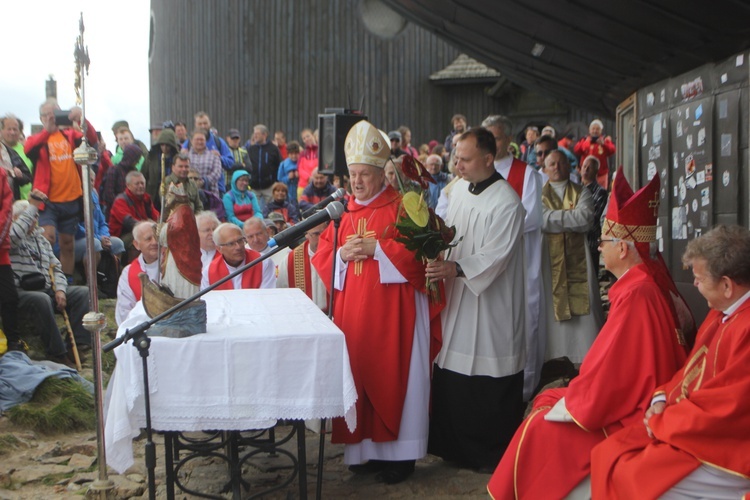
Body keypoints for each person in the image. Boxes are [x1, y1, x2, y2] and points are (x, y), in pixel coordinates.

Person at [489, 169, 691, 499]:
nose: (598, 248)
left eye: (604, 241)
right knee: (546, 403)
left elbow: (615, 377)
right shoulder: (640, 284)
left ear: (623, 250)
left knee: (540, 427)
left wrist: (577, 398)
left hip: (630, 410)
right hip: (630, 397)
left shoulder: (638, 293)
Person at [311, 120, 442, 485]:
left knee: (397, 375)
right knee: (358, 374)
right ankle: (364, 452)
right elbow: (322, 257)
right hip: (354, 318)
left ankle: (401, 456)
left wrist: (377, 250)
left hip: (395, 314)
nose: (357, 182)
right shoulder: (342, 214)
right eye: (352, 174)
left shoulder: (404, 207)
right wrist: (340, 255)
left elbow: (424, 254)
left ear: (380, 174)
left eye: (364, 174)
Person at [592, 224, 750, 498]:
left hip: (730, 446)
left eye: (700, 280)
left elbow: (729, 406)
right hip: (698, 429)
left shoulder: (745, 327)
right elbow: (691, 370)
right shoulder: (721, 313)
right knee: (610, 451)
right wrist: (660, 400)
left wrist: (665, 421)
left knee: (636, 475)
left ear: (727, 285)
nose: (695, 285)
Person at [425, 127, 526, 471]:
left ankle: (489, 453)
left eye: (465, 159)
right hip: (458, 300)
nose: (458, 165)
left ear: (487, 158)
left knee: (486, 368)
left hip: (490, 302)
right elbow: (451, 236)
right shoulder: (459, 192)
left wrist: (455, 268)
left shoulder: (507, 202)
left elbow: (496, 256)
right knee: (453, 367)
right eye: (456, 158)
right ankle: (453, 447)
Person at [483, 115, 546, 400]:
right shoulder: (473, 172)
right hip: (482, 264)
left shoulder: (527, 174)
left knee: (521, 324)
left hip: (519, 263)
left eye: (494, 138)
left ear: (508, 140)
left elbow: (531, 218)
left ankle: (522, 392)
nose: (489, 144)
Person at [10, 195, 90, 366]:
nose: (35, 220)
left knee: (83, 292)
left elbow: (56, 267)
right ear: (17, 219)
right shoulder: (10, 239)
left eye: (36, 216)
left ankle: (79, 344)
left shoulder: (41, 240)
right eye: (30, 216)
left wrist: (60, 289)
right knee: (42, 299)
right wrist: (31, 208)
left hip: (47, 287)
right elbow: (14, 236)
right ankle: (57, 352)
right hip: (22, 292)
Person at [24, 100, 98, 283]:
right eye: (47, 115)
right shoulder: (38, 139)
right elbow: (28, 149)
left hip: (71, 198)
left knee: (67, 244)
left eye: (55, 113)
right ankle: (45, 280)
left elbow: (91, 140)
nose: (52, 117)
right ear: (41, 118)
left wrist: (82, 118)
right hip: (47, 200)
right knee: (46, 238)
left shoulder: (70, 135)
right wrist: (46, 131)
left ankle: (67, 283)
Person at [541, 150, 604, 364]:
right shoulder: (538, 193)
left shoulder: (581, 192)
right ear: (545, 168)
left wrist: (551, 219)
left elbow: (585, 219)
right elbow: (539, 220)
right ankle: (553, 355)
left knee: (585, 307)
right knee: (550, 306)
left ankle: (584, 354)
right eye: (552, 164)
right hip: (548, 260)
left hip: (580, 260)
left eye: (561, 163)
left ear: (569, 167)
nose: (556, 167)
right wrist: (568, 218)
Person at [201, 223, 275, 290]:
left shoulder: (263, 262)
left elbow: (267, 296)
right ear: (219, 248)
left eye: (240, 241)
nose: (238, 247)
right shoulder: (209, 273)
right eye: (231, 244)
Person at [277, 218, 329, 311]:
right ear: (306, 235)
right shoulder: (290, 260)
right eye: (316, 234)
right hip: (303, 316)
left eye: (325, 232)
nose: (322, 238)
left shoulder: (338, 255)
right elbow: (281, 293)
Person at [108, 171, 160, 261]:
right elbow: (129, 222)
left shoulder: (146, 199)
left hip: (143, 231)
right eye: (137, 184)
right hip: (122, 235)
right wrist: (149, 226)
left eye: (142, 183)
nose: (140, 186)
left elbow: (157, 217)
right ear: (128, 186)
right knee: (138, 241)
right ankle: (134, 267)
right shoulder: (120, 201)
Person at [115, 221, 159, 325]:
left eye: (157, 237)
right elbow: (124, 312)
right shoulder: (129, 273)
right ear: (137, 245)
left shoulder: (172, 265)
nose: (155, 242)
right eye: (148, 239)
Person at [0, 169, 23, 353]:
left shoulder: (1, 175)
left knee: (9, 297)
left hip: (1, 253)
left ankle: (13, 342)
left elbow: (7, 210)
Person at [99, 143, 143, 218]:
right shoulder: (114, 170)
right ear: (131, 158)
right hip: (115, 213)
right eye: (136, 159)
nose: (138, 162)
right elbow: (109, 195)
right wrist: (123, 206)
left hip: (132, 212)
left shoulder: (134, 172)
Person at [578, 155, 608, 260]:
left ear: (596, 172)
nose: (586, 169)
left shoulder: (600, 192)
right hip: (574, 243)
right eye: (584, 166)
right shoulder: (575, 189)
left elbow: (594, 218)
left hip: (590, 243)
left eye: (589, 168)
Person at [244, 124, 282, 208]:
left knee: (271, 211)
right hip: (254, 187)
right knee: (255, 210)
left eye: (257, 133)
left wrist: (276, 181)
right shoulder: (251, 149)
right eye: (254, 133)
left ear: (264, 135)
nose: (255, 135)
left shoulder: (273, 149)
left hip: (269, 186)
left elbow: (279, 165)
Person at [142, 128, 180, 209]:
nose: (165, 148)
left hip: (171, 194)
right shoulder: (151, 157)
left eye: (168, 145)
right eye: (162, 145)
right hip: (153, 194)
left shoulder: (177, 159)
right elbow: (143, 175)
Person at [574, 119, 615, 190]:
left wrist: (603, 144)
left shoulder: (605, 140)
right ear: (589, 130)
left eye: (597, 129)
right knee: (586, 192)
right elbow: (576, 149)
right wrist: (586, 143)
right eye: (593, 129)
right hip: (586, 174)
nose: (595, 131)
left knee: (602, 192)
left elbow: (612, 150)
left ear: (601, 131)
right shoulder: (584, 140)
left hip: (601, 174)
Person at [1, 114, 34, 200]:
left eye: (15, 129)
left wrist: (19, 175)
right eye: (9, 129)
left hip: (17, 201)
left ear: (20, 132)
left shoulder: (26, 150)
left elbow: (28, 177)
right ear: (1, 130)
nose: (12, 132)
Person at [188, 129, 223, 196]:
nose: (199, 142)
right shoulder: (186, 156)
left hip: (210, 195)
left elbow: (217, 173)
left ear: (206, 141)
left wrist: (203, 182)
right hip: (189, 195)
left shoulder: (214, 156)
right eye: (197, 139)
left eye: (202, 139)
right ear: (191, 141)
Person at [296, 128, 318, 197]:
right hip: (303, 186)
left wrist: (314, 177)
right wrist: (309, 178)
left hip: (317, 184)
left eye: (308, 136)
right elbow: (300, 169)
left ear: (313, 136)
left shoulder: (321, 151)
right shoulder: (302, 153)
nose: (306, 139)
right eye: (304, 138)